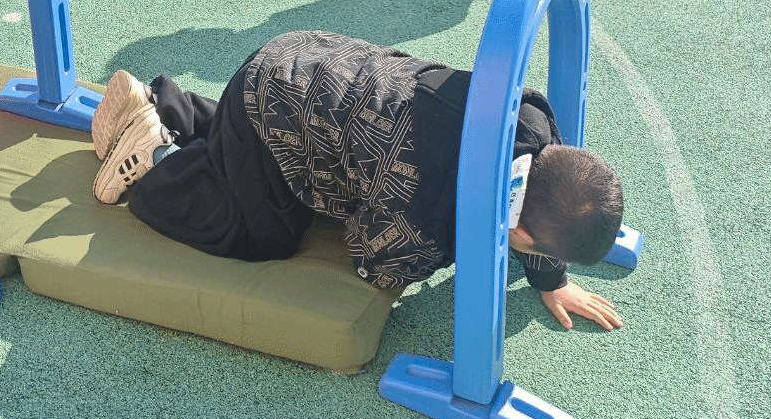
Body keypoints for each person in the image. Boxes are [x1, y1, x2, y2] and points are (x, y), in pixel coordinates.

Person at [92, 30, 625, 330]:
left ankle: (176, 107)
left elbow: (542, 193)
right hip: (271, 108)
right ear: (522, 235)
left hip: (311, 57)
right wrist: (454, 248)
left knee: (264, 149)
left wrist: (551, 278)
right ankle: (157, 158)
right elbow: (370, 258)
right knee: (260, 236)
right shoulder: (420, 221)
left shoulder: (531, 121)